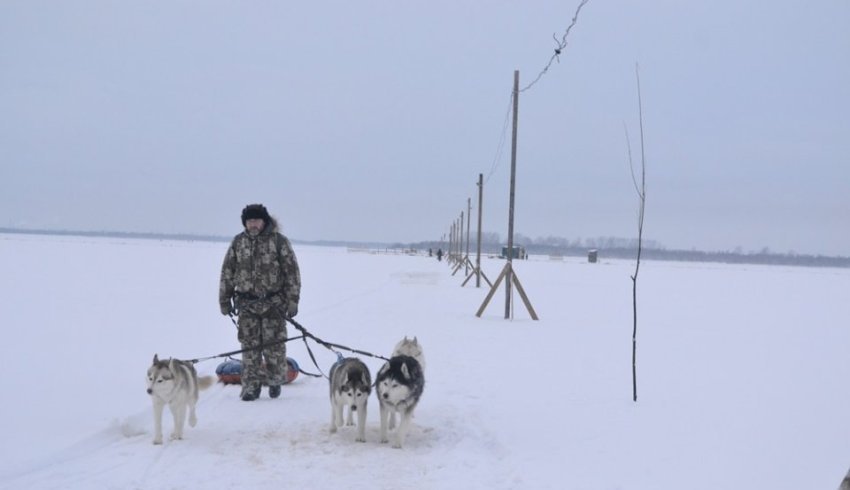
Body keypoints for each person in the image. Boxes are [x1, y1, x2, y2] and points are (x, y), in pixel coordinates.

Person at [219, 204, 301, 401]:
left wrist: (292, 300)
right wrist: (224, 299)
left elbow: (292, 273)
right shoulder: (238, 243)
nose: (252, 224)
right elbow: (227, 272)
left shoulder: (279, 242)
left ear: (264, 221)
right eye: (249, 221)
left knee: (275, 348)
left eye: (256, 220)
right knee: (249, 349)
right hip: (247, 305)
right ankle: (251, 387)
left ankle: (275, 381)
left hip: (274, 304)